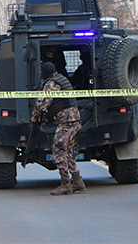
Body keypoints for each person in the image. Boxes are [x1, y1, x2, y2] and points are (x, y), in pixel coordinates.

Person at [31, 62, 85, 195]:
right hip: (74, 120)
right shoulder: (62, 79)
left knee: (58, 150)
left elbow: (43, 103)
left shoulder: (51, 83)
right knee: (67, 150)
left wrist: (34, 116)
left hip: (66, 122)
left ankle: (65, 183)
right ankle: (77, 180)